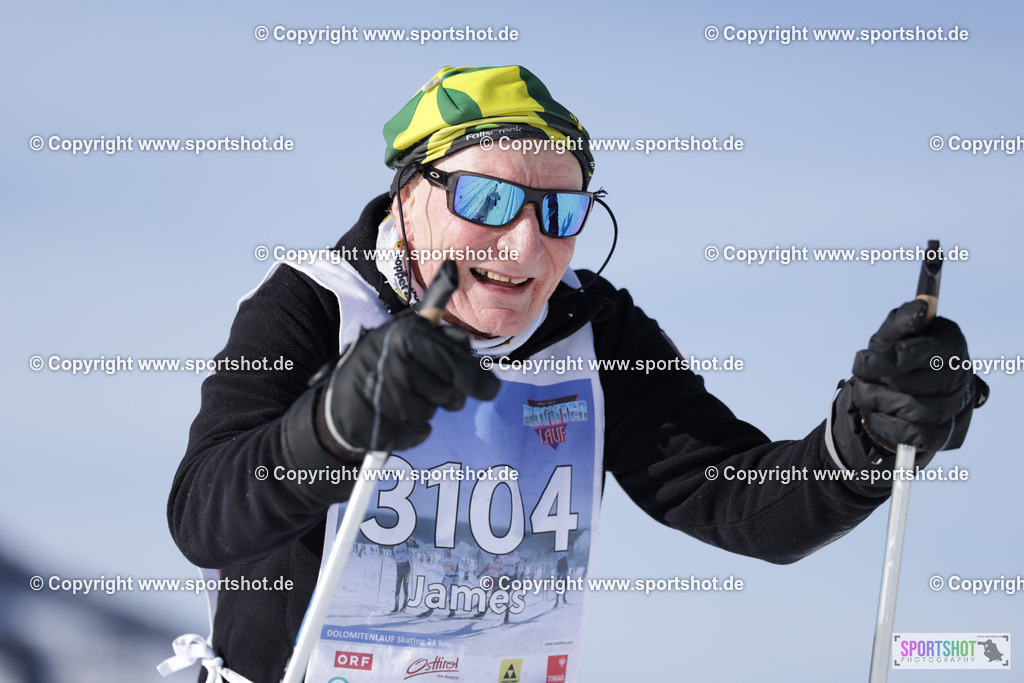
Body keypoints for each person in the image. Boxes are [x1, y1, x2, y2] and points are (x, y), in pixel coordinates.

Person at [166, 65, 988, 683]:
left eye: (559, 211)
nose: (524, 247)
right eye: (486, 200)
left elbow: (737, 499)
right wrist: (334, 423)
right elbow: (203, 514)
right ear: (410, 195)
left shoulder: (593, 330)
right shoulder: (318, 305)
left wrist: (871, 435)